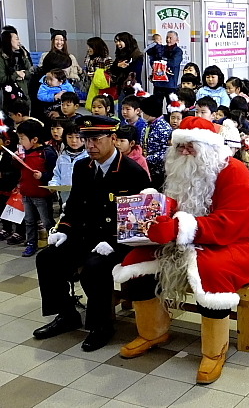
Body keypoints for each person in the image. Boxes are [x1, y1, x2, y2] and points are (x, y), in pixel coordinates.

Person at [112, 116, 249, 383]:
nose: (184, 152)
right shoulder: (180, 170)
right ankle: (152, 331)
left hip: (233, 243)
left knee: (211, 271)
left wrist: (178, 229)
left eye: (190, 146)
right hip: (186, 239)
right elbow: (173, 206)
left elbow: (232, 222)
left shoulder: (234, 171)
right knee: (135, 261)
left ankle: (215, 351)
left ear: (209, 147)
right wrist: (153, 214)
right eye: (180, 146)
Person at [34, 115, 150, 352]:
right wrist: (63, 230)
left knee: (94, 268)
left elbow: (140, 221)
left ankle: (101, 326)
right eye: (86, 139)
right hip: (86, 235)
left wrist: (114, 241)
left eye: (96, 139)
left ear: (114, 138)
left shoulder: (132, 172)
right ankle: (67, 314)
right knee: (47, 258)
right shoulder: (83, 167)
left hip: (120, 240)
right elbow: (75, 205)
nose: (90, 146)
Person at [15, 120, 57, 257]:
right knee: (29, 221)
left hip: (42, 195)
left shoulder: (47, 152)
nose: (20, 141)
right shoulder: (23, 153)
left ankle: (54, 244)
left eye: (22, 138)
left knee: (47, 221)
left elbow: (55, 173)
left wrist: (43, 176)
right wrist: (15, 159)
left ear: (34, 139)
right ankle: (31, 243)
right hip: (26, 193)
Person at [49, 122, 88, 203]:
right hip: (65, 197)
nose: (74, 141)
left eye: (77, 137)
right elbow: (57, 175)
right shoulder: (62, 157)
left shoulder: (88, 157)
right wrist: (53, 185)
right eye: (70, 137)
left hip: (85, 197)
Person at [140, 95, 172, 190]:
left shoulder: (164, 128)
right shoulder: (147, 125)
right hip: (147, 168)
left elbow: (166, 152)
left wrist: (148, 159)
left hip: (159, 171)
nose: (142, 114)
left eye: (144, 111)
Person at [0, 26, 32, 108]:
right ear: (8, 40)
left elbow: (31, 71)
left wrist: (24, 74)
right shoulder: (2, 57)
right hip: (9, 97)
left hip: (25, 95)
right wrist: (16, 75)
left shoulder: (23, 53)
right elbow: (2, 78)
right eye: (16, 39)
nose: (19, 41)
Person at [147, 31, 183, 102]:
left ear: (177, 40)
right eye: (167, 38)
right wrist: (155, 44)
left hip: (171, 84)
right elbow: (151, 57)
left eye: (170, 38)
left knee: (171, 106)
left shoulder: (178, 51)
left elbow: (173, 63)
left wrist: (161, 61)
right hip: (158, 83)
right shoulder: (161, 48)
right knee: (156, 105)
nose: (168, 40)